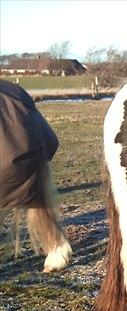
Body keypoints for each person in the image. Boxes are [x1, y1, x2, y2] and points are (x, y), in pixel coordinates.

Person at [0, 79, 72, 272]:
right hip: (27, 156)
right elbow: (48, 138)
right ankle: (56, 246)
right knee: (38, 195)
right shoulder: (13, 91)